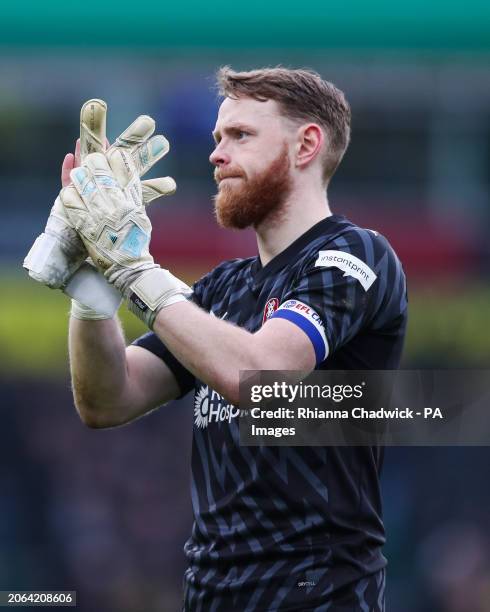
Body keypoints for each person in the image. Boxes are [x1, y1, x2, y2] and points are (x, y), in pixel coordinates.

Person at [26, 67, 407, 611]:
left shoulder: (354, 255)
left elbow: (262, 378)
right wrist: (94, 286)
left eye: (240, 136)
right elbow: (108, 399)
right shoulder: (223, 287)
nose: (216, 155)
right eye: (216, 138)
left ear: (307, 144)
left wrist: (134, 269)